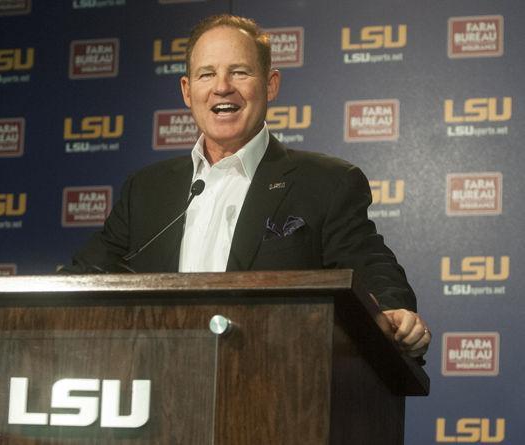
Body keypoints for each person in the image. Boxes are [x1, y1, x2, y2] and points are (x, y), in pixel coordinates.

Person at [64, 14, 431, 359]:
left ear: (270, 84)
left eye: (239, 72)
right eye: (207, 75)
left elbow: (370, 266)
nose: (222, 87)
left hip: (273, 388)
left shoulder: (326, 183)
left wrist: (392, 310)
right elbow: (83, 276)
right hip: (158, 387)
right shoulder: (145, 189)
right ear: (187, 91)